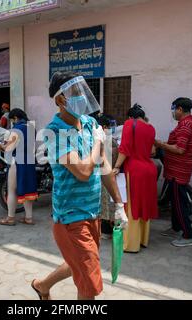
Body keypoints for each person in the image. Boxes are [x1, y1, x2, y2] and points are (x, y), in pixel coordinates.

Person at [31, 72, 127, 300]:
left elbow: (103, 166)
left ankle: (42, 286)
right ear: (59, 100)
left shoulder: (90, 123)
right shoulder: (54, 132)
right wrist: (98, 144)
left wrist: (119, 204)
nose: (81, 96)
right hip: (70, 216)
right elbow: (83, 172)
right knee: (89, 284)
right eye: (74, 92)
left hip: (92, 211)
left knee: (81, 264)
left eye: (81, 90)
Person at [113, 104, 159, 253]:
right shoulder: (151, 128)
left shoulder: (129, 124)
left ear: (130, 116)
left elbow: (124, 148)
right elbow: (152, 151)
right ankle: (143, 239)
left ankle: (131, 244)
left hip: (135, 170)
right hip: (149, 170)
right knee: (144, 204)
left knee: (132, 206)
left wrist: (116, 166)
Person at [155, 97, 192, 247]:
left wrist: (160, 144)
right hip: (176, 169)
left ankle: (189, 235)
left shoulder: (186, 125)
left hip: (178, 171)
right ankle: (176, 228)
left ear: (180, 109)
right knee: (175, 201)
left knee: (179, 203)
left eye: (174, 110)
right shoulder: (185, 124)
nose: (173, 113)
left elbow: (180, 149)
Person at [0, 109, 38, 226]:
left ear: (15, 118)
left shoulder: (17, 129)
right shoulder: (31, 128)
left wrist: (0, 146)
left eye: (12, 120)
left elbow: (8, 147)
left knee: (11, 189)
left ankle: (10, 218)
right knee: (28, 189)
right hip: (30, 161)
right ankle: (28, 218)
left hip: (18, 161)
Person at [96, 114, 119, 240]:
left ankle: (104, 230)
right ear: (104, 127)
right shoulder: (110, 141)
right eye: (111, 126)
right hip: (106, 175)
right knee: (107, 203)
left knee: (103, 203)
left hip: (99, 175)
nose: (112, 128)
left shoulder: (95, 139)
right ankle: (106, 230)